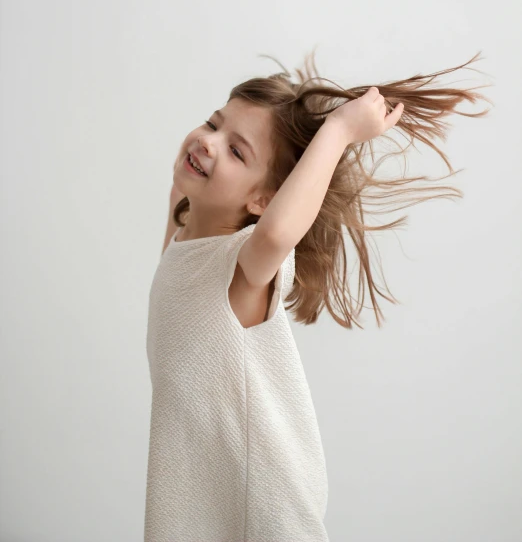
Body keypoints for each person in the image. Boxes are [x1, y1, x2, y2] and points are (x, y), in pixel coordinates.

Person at [144, 48, 492, 542]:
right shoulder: (184, 244)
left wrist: (340, 131)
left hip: (261, 512)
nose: (208, 142)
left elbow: (276, 234)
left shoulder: (244, 268)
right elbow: (184, 203)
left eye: (237, 150)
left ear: (263, 201)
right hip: (199, 506)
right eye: (212, 123)